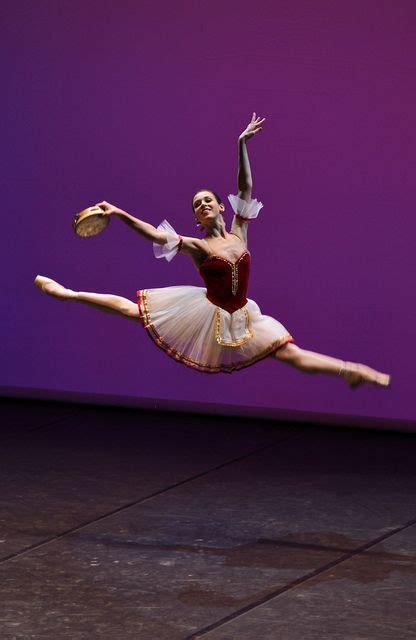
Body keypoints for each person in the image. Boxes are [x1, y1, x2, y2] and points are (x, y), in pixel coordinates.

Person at [35, 113, 390, 388]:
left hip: (245, 317)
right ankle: (68, 293)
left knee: (292, 355)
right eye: (196, 204)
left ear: (222, 207)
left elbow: (245, 186)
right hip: (210, 313)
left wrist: (242, 144)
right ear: (195, 217)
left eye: (208, 200)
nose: (203, 204)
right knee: (134, 310)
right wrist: (120, 213)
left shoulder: (240, 230)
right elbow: (154, 237)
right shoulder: (197, 246)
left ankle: (352, 370)